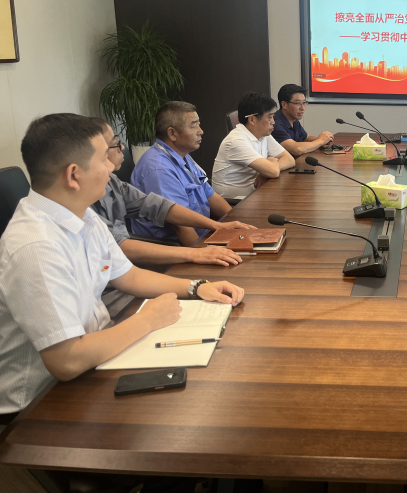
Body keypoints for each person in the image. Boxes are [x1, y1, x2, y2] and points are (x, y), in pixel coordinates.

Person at [0, 113, 245, 417]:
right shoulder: (36, 246)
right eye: (103, 158)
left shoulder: (82, 216)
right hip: (39, 405)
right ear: (74, 175)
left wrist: (197, 287)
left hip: (95, 360)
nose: (112, 166)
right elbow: (66, 361)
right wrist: (148, 320)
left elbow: (128, 276)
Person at [92, 119, 255, 267]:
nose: (122, 147)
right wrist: (197, 253)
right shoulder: (157, 168)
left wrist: (218, 226)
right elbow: (118, 247)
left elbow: (160, 207)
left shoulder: (113, 181)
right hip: (161, 252)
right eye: (113, 145)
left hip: (196, 241)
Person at [131, 101, 238, 245]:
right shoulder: (159, 169)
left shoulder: (182, 155)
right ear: (172, 133)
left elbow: (211, 196)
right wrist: (205, 254)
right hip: (175, 246)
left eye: (199, 124)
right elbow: (180, 226)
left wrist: (239, 225)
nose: (200, 131)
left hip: (204, 234)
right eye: (194, 126)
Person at [212, 92, 296, 198]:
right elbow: (273, 171)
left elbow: (289, 159)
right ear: (252, 119)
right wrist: (271, 162)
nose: (273, 122)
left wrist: (266, 171)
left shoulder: (263, 134)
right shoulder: (236, 140)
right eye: (270, 117)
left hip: (255, 194)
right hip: (235, 202)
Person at [271, 84, 334, 155]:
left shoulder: (294, 120)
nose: (303, 108)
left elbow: (307, 138)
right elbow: (297, 149)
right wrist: (320, 141)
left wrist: (324, 140)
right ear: (284, 105)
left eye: (304, 103)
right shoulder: (274, 123)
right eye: (298, 103)